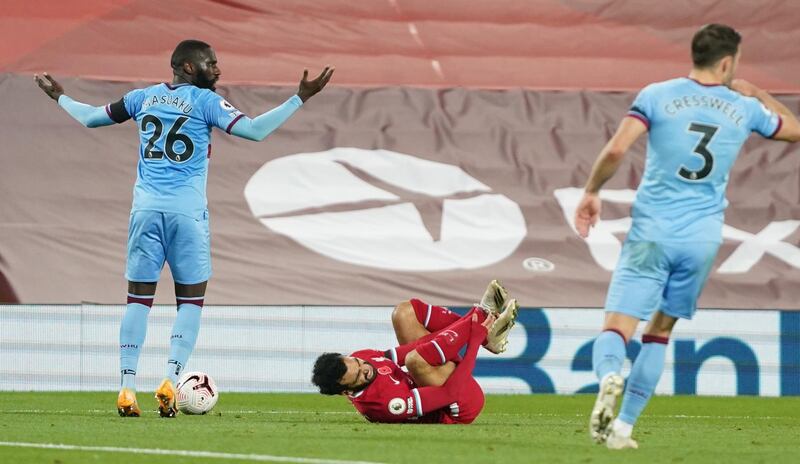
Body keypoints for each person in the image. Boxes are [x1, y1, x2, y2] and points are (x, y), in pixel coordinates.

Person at [34, 39, 334, 418]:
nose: (218, 69)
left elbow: (92, 118)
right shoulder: (205, 102)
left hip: (144, 211)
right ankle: (170, 380)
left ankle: (126, 386)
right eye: (212, 62)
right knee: (190, 301)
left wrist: (60, 97)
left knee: (137, 301)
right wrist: (299, 98)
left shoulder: (142, 98)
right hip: (187, 214)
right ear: (189, 68)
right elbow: (255, 131)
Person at [574, 24, 800, 449]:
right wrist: (758, 93)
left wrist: (592, 191)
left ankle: (608, 376)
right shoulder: (744, 107)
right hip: (701, 239)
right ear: (728, 62)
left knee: (618, 326)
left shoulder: (657, 95)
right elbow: (794, 128)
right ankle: (623, 429)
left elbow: (618, 149)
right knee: (660, 331)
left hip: (652, 232)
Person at [311, 280, 519, 424]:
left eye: (357, 362)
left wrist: (473, 329)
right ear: (346, 392)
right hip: (459, 406)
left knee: (404, 312)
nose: (366, 367)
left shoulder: (363, 358)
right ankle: (483, 317)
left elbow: (413, 347)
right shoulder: (385, 405)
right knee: (415, 360)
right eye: (358, 375)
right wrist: (473, 342)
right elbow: (450, 393)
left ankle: (484, 323)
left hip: (431, 377)